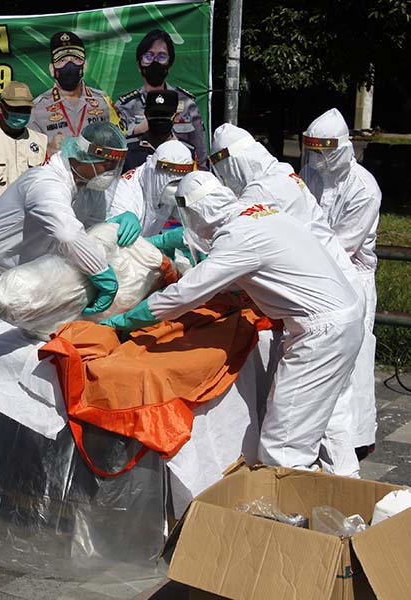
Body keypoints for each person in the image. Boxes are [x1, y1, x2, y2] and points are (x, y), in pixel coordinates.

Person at [102, 171, 363, 474]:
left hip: (322, 332)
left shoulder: (238, 238)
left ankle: (287, 516)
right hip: (342, 315)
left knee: (284, 442)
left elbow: (185, 294)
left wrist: (128, 320)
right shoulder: (262, 213)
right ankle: (348, 497)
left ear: (196, 211)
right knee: (324, 421)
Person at [209, 123, 362, 476]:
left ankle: (293, 509)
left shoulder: (264, 190)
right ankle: (346, 485)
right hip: (338, 293)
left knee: (290, 430)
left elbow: (229, 240)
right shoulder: (281, 173)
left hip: (321, 307)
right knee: (331, 407)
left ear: (232, 162)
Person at [0, 121, 127, 334]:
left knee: (15, 350)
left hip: (16, 278)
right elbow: (67, 234)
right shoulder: (45, 182)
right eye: (106, 164)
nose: (111, 172)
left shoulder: (91, 189)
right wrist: (102, 273)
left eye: (116, 165)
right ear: (82, 155)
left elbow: (92, 233)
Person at [300, 108, 382, 460]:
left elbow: (343, 244)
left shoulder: (364, 188)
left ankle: (356, 438)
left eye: (324, 150)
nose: (318, 158)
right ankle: (320, 433)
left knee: (355, 362)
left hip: (352, 278)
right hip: (315, 274)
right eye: (313, 149)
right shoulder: (309, 173)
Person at [115, 29, 207, 169]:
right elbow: (117, 150)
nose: (155, 62)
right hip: (136, 179)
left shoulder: (187, 103)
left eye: (162, 56)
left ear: (169, 64)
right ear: (139, 65)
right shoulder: (126, 105)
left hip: (180, 177)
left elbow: (200, 156)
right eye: (148, 56)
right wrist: (137, 130)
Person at [30, 31, 124, 157]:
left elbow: (120, 146)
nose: (70, 65)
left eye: (76, 59)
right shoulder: (37, 108)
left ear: (84, 66)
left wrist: (98, 150)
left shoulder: (103, 101)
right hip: (56, 174)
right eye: (62, 60)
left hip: (96, 173)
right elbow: (28, 156)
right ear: (52, 69)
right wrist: (48, 151)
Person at [0, 81, 47, 211]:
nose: (21, 113)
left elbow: (46, 183)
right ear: (1, 107)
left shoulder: (40, 141)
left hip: (28, 217)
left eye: (25, 109)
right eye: (15, 109)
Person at [109, 139, 195, 242]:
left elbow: (192, 218)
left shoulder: (157, 187)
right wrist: (160, 242)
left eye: (181, 182)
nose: (177, 189)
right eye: (173, 184)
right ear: (154, 173)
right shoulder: (124, 195)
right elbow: (118, 245)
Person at [123, 89, 187, 171]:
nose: (159, 118)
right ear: (146, 115)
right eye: (155, 114)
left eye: (165, 114)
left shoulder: (186, 150)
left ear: (176, 117)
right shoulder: (126, 148)